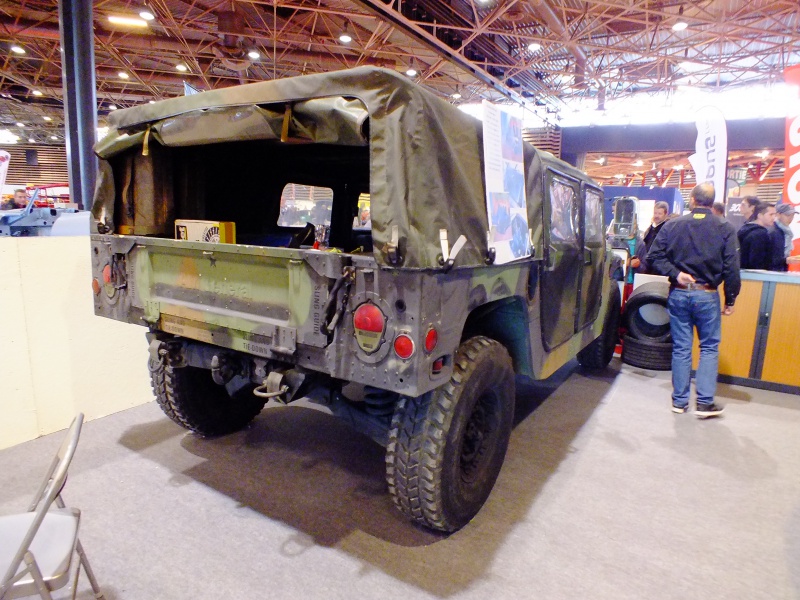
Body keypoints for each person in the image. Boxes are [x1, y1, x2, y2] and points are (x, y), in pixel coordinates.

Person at [648, 182, 740, 418]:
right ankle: (704, 403)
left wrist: (676, 273)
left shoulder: (673, 225)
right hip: (707, 294)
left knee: (681, 348)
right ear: (712, 201)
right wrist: (730, 298)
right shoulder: (725, 227)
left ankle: (679, 402)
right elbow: (731, 267)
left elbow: (654, 256)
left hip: (679, 292)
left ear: (692, 199)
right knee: (708, 347)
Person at [738, 203, 776, 269]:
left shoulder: (745, 229)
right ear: (760, 216)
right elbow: (757, 262)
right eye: (771, 214)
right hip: (756, 276)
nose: (774, 218)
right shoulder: (761, 234)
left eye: (775, 215)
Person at [769, 203, 800, 271]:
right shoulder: (773, 232)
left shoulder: (786, 232)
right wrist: (785, 260)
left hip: (780, 270)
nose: (790, 218)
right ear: (778, 214)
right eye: (787, 215)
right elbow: (769, 257)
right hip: (771, 272)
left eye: (792, 216)